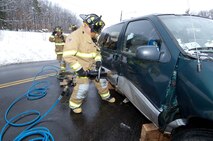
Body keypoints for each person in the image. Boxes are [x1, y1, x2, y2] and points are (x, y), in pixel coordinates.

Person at [63, 13, 115, 114]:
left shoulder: (93, 37)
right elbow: (68, 56)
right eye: (94, 30)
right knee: (82, 88)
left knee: (102, 82)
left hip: (93, 66)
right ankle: (75, 105)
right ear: (86, 25)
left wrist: (98, 61)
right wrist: (80, 70)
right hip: (82, 68)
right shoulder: (75, 37)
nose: (95, 33)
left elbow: (97, 52)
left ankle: (106, 97)